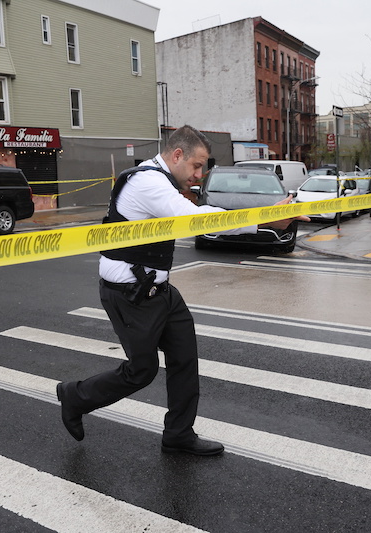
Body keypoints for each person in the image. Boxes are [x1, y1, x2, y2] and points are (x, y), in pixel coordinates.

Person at [55, 125, 308, 456]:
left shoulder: (161, 181)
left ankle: (178, 434)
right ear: (177, 155)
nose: (199, 175)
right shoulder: (147, 182)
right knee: (141, 372)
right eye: (196, 166)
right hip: (130, 294)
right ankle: (75, 396)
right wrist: (266, 218)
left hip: (159, 290)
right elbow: (197, 220)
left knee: (185, 359)